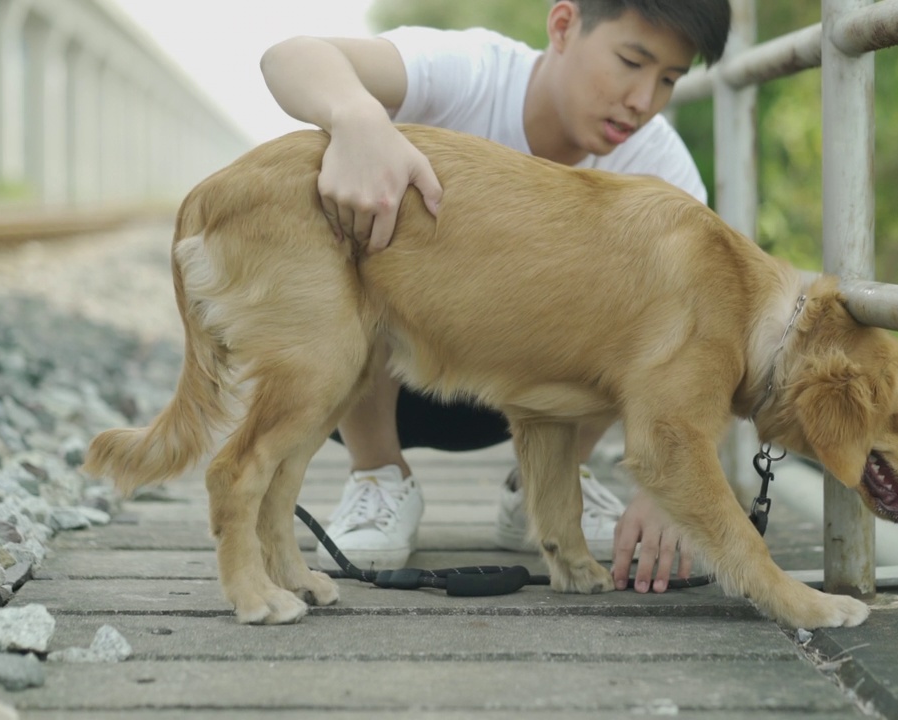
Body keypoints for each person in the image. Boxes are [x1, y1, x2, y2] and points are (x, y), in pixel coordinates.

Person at [260, 0, 731, 594]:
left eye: (668, 80)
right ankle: (378, 475)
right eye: (631, 62)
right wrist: (359, 121)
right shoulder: (475, 72)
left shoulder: (660, 167)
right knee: (360, 209)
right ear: (562, 27)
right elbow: (290, 56)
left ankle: (550, 490)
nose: (643, 100)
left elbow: (695, 348)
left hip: (529, 395)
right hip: (371, 373)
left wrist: (668, 488)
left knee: (655, 305)